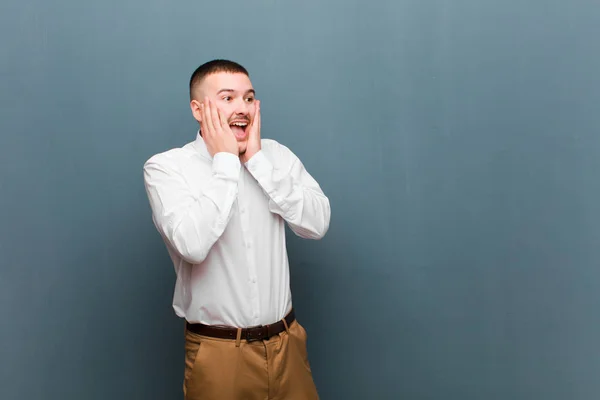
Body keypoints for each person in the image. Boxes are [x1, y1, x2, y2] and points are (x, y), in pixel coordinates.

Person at [143, 59, 331, 399]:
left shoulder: (277, 156)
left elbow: (317, 224)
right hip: (219, 354)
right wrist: (227, 161)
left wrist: (258, 162)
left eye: (248, 98)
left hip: (287, 344)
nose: (241, 108)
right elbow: (191, 244)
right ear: (198, 109)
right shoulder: (167, 168)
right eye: (227, 98)